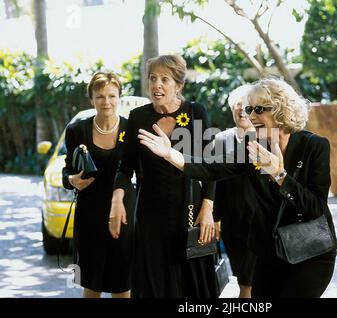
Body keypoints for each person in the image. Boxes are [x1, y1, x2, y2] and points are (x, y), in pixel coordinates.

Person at [138, 78, 337, 297]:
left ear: (281, 109)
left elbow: (315, 207)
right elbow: (214, 168)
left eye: (259, 109)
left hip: (310, 252)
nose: (251, 116)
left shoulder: (315, 146)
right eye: (250, 109)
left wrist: (279, 175)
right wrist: (172, 155)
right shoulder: (253, 144)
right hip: (270, 253)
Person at [109, 54, 218, 298]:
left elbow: (211, 164)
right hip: (150, 216)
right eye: (153, 78)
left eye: (165, 79)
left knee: (193, 286)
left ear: (178, 85)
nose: (157, 84)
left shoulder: (195, 112)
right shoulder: (138, 117)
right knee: (153, 283)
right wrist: (117, 200)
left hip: (190, 210)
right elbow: (124, 168)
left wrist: (208, 208)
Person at [62, 71, 135, 298]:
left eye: (112, 96)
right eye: (100, 96)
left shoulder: (131, 128)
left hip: (123, 209)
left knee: (122, 283)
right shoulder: (76, 130)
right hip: (89, 211)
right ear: (91, 99)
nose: (106, 102)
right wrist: (71, 181)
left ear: (119, 97)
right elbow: (68, 170)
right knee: (91, 284)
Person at [213, 84, 257, 298]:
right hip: (232, 220)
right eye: (236, 106)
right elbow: (216, 180)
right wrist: (215, 217)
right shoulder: (222, 139)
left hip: (260, 219)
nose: (240, 110)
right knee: (243, 280)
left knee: (253, 281)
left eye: (246, 106)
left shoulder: (266, 137)